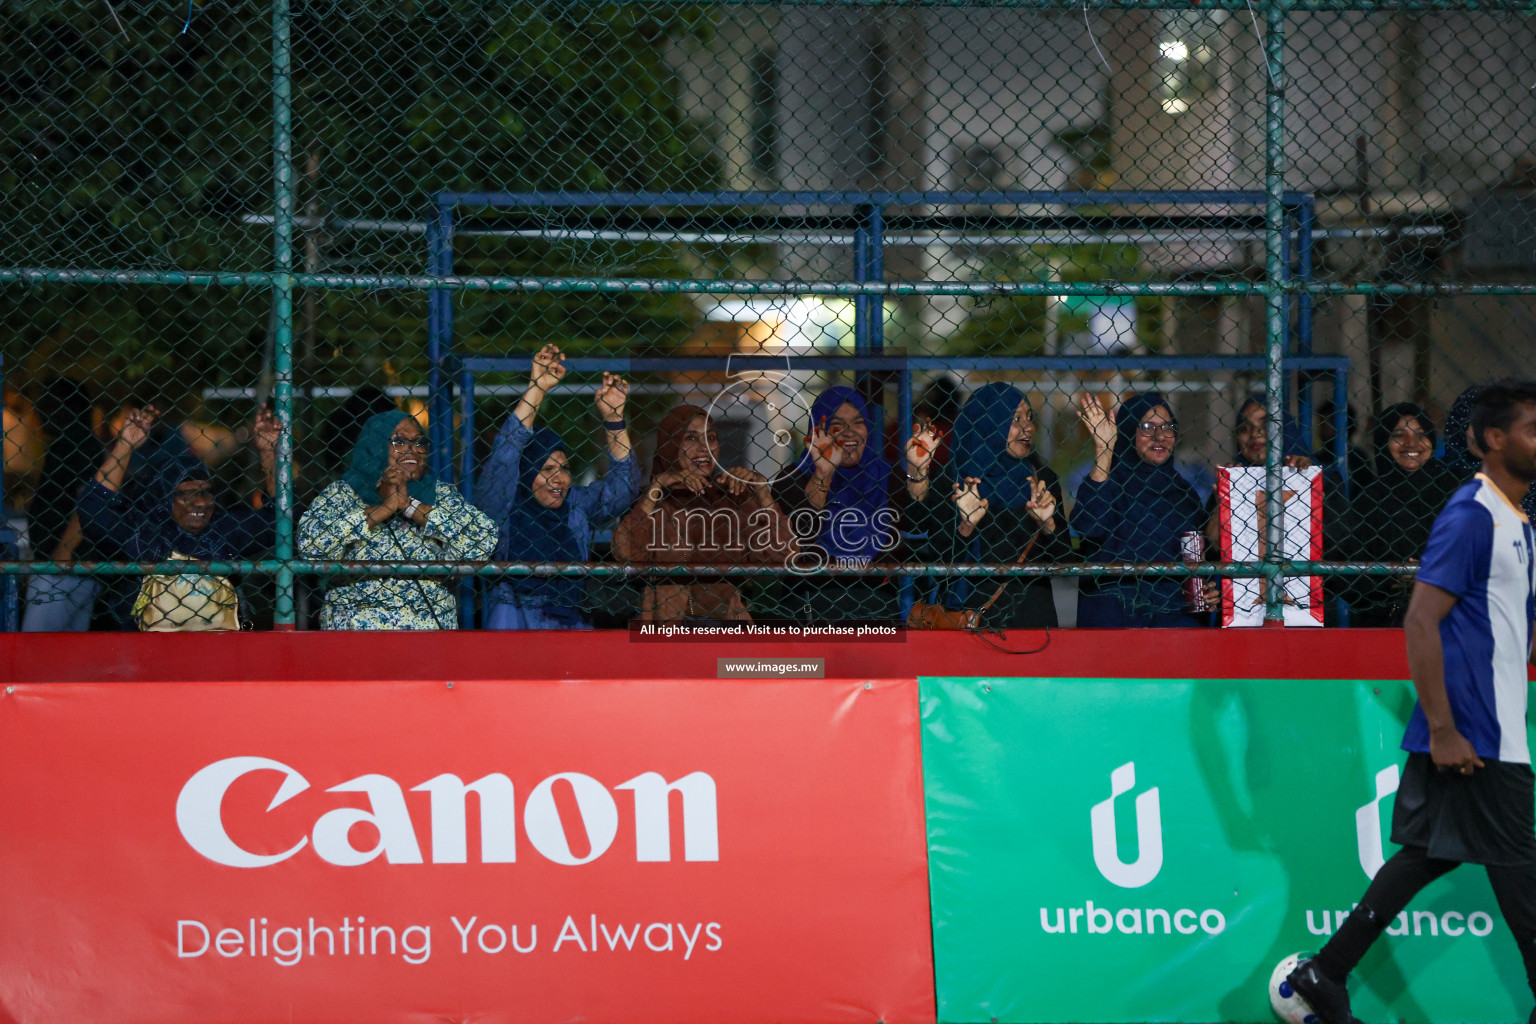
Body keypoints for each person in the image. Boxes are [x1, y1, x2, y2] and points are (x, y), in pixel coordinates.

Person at [1285, 380, 1536, 1024]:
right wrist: (1446, 730)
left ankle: (1324, 973)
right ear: (1491, 440)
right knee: (1523, 881)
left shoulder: (1517, 521)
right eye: (1532, 429)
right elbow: (1421, 620)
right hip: (1477, 735)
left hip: (1493, 726)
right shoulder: (1471, 513)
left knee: (1431, 854)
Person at [475, 344, 640, 629]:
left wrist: (614, 420)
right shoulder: (502, 505)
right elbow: (505, 456)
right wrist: (537, 388)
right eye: (547, 469)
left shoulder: (574, 505)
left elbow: (622, 491)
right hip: (514, 621)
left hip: (570, 619)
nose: (560, 479)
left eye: (564, 468)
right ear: (526, 473)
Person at [77, 405, 281, 630]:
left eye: (205, 492)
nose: (202, 502)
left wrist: (269, 452)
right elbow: (94, 508)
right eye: (186, 494)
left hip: (219, 650)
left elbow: (278, 519)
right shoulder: (139, 536)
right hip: (149, 653)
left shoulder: (222, 532)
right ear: (163, 498)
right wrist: (125, 447)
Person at [299, 410, 495, 629]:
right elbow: (311, 546)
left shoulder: (439, 494)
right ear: (375, 446)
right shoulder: (342, 494)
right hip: (356, 637)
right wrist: (383, 510)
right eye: (399, 441)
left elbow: (482, 542)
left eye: (419, 442)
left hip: (428, 638)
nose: (413, 450)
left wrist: (411, 506)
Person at [612, 404, 795, 623]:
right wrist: (658, 485)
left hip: (726, 628)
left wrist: (762, 491)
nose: (704, 448)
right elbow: (625, 553)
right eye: (690, 438)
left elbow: (785, 554)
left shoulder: (733, 498)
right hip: (667, 629)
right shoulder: (653, 501)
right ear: (670, 444)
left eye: (711, 438)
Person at [906, 382, 1069, 629]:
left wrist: (1048, 525)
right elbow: (936, 563)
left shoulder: (1042, 480)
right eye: (1015, 419)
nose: (1028, 427)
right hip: (966, 623)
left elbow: (1067, 561)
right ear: (986, 423)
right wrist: (965, 527)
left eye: (1029, 417)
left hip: (1033, 621)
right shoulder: (953, 481)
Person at [771, 385, 906, 623]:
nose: (849, 433)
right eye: (837, 424)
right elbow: (803, 534)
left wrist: (918, 474)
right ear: (819, 431)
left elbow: (914, 527)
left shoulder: (887, 476)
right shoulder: (791, 479)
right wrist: (823, 473)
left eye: (857, 422)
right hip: (811, 600)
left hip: (876, 604)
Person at [1073, 391, 1207, 628]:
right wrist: (1104, 449)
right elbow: (1089, 526)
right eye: (1147, 427)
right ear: (1127, 431)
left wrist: (1205, 592)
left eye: (1168, 427)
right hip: (1115, 616)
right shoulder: (1108, 482)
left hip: (1173, 618)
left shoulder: (1183, 493)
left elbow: (1197, 559)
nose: (1160, 436)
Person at [1340, 402, 1463, 627]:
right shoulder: (1371, 496)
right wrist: (1392, 576)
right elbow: (1349, 572)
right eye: (1399, 435)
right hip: (1386, 618)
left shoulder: (1454, 490)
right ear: (1383, 442)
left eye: (1421, 435)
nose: (1411, 444)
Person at [21, 380, 103, 631]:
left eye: (48, 405)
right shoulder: (74, 443)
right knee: (62, 655)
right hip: (69, 568)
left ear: (67, 408)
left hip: (62, 571)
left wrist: (63, 553)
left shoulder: (75, 446)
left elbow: (91, 501)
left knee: (34, 650)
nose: (40, 413)